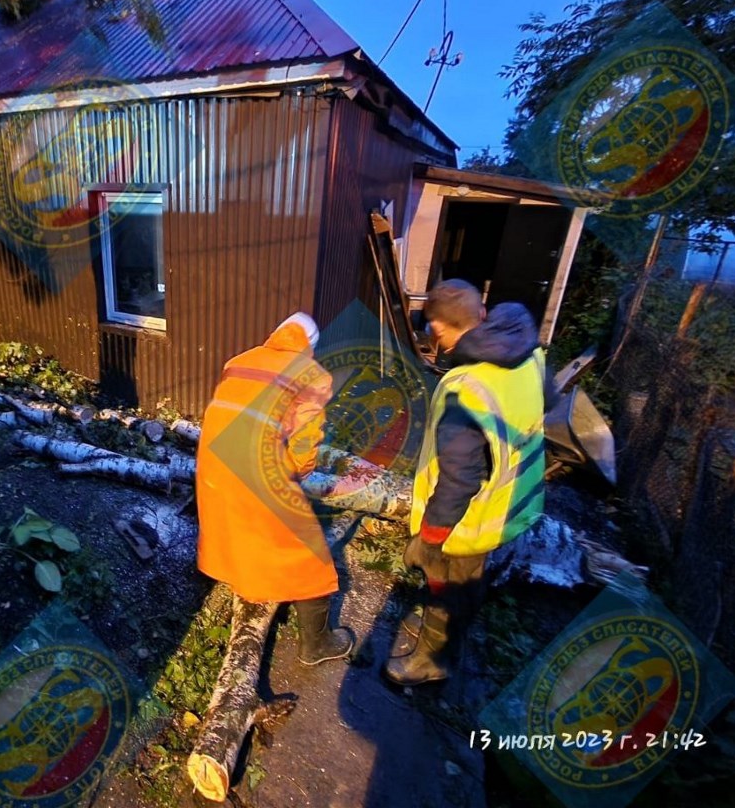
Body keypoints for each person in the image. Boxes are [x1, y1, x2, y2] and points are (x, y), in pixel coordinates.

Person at [384, 280, 549, 686]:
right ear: (483, 314)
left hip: (474, 514)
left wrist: (430, 537)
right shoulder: (529, 351)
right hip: (516, 497)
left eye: (432, 331)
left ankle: (433, 661)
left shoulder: (466, 389)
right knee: (467, 580)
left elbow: (460, 479)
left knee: (452, 583)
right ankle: (446, 640)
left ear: (438, 330)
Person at [196, 312, 353, 666]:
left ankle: (244, 584)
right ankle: (317, 645)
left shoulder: (240, 360)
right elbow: (304, 440)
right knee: (308, 555)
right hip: (255, 470)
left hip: (211, 460)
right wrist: (295, 476)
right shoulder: (311, 375)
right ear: (310, 346)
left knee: (236, 526)